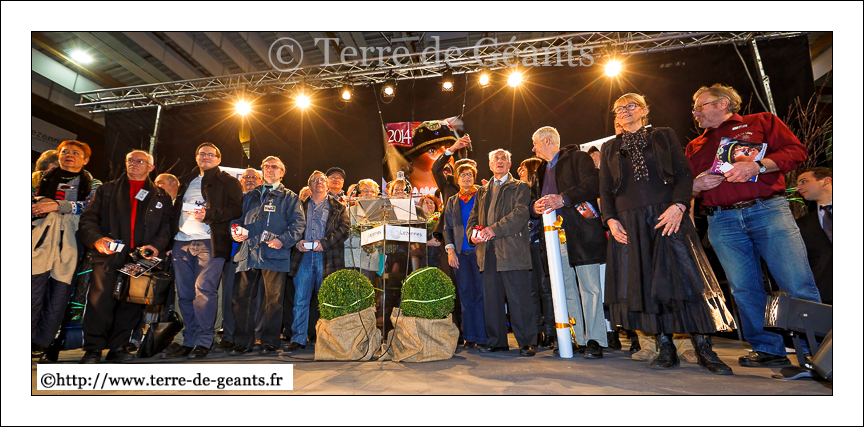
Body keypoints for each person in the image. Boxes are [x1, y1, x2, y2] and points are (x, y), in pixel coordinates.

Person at [686, 84, 821, 368]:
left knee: (796, 280)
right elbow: (685, 188)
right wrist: (696, 185)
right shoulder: (694, 145)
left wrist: (758, 166)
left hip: (768, 210)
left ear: (723, 103)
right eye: (694, 109)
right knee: (743, 288)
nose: (695, 113)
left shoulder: (761, 121)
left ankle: (819, 351)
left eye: (700, 106)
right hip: (721, 219)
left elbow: (797, 151)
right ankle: (767, 347)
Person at [601, 93, 735, 374]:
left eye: (631, 105)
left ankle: (704, 348)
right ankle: (665, 347)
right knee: (646, 284)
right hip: (629, 221)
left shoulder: (663, 135)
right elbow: (605, 188)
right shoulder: (609, 147)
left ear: (644, 110)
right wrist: (611, 220)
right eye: (619, 109)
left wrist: (679, 205)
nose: (624, 111)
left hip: (667, 214)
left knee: (686, 278)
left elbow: (684, 174)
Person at [77, 150, 173, 363]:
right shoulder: (107, 190)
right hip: (109, 254)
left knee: (132, 303)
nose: (134, 164)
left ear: (151, 167)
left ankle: (118, 347)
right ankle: (93, 349)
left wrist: (156, 246)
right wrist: (97, 240)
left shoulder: (160, 195)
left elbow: (167, 226)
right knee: (99, 301)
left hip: (140, 258)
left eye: (140, 161)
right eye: (130, 160)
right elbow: (88, 218)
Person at [531, 126, 609, 359]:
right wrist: (534, 207)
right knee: (564, 288)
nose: (533, 149)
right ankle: (575, 339)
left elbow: (593, 184)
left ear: (547, 141)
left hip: (580, 233)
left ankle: (595, 339)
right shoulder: (539, 171)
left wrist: (563, 198)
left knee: (590, 287)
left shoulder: (578, 158)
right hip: (552, 238)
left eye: (535, 144)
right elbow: (533, 201)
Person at [162, 142, 243, 360]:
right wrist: (168, 242)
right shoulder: (186, 180)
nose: (205, 157)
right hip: (181, 242)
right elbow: (173, 210)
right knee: (184, 294)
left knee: (204, 291)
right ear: (196, 157)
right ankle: (189, 340)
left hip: (210, 242)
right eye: (201, 154)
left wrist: (208, 215)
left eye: (210, 154)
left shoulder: (228, 181)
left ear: (218, 159)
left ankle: (204, 340)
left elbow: (235, 209)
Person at [32, 140, 101, 359]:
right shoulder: (40, 178)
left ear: (86, 159)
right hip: (39, 240)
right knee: (32, 288)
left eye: (75, 153)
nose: (69, 156)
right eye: (65, 152)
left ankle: (42, 343)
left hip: (72, 242)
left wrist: (57, 205)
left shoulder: (94, 184)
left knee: (59, 294)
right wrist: (39, 203)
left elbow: (91, 207)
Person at [228, 156, 304, 356]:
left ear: (282, 172)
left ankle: (269, 342)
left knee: (274, 301)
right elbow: (236, 219)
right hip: (248, 253)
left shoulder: (290, 197)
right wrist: (235, 230)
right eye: (266, 166)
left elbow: (298, 225)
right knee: (241, 298)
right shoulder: (250, 195)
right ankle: (242, 342)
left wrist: (283, 240)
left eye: (274, 167)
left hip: (275, 253)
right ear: (262, 171)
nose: (270, 169)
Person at [467, 149, 538, 357]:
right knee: (492, 298)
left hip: (512, 250)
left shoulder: (520, 187)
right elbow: (473, 218)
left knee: (519, 298)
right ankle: (497, 341)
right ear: (490, 165)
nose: (499, 161)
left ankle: (527, 342)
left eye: (503, 158)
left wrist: (494, 230)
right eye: (495, 159)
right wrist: (472, 235)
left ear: (509, 164)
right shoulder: (482, 191)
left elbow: (520, 214)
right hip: (487, 251)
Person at [285, 171, 350, 351]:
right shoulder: (298, 206)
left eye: (322, 180)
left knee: (327, 300)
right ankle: (298, 338)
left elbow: (344, 229)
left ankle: (326, 339)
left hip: (327, 257)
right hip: (303, 257)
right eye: (314, 180)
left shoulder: (338, 207)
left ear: (327, 185)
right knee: (300, 300)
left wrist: (325, 244)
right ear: (309, 185)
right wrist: (297, 242)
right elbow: (290, 227)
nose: (319, 182)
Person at [213, 168, 265, 353]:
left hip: (257, 254)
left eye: (254, 177)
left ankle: (256, 335)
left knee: (256, 298)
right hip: (233, 254)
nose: (250, 180)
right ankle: (229, 337)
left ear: (261, 181)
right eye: (246, 177)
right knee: (229, 297)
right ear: (241, 181)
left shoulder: (264, 200)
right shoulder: (234, 200)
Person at [444, 163, 487, 349]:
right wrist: (450, 251)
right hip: (460, 253)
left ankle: (483, 337)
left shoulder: (483, 195)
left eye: (470, 174)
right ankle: (469, 336)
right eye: (463, 175)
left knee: (481, 294)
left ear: (474, 177)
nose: (466, 178)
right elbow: (447, 228)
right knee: (465, 294)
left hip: (481, 251)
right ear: (457, 179)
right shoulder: (452, 201)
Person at [519, 158, 556, 349]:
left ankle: (550, 331)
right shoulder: (518, 191)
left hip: (541, 244)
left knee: (545, 289)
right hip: (523, 247)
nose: (519, 171)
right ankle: (536, 331)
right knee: (531, 290)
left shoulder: (540, 190)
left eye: (523, 168)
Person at [795, 167, 832, 305]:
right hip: (827, 296)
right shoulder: (800, 225)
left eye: (804, 181)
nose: (798, 188)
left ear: (826, 180)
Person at [418, 194, 443, 268]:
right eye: (426, 203)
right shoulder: (417, 222)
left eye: (431, 203)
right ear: (420, 206)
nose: (429, 205)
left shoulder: (441, 219)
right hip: (424, 258)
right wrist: (428, 243)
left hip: (440, 257)